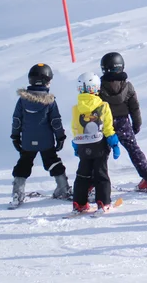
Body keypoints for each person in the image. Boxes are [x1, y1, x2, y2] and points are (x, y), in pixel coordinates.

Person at [9, 64, 70, 208]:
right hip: (46, 141)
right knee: (53, 161)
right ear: (46, 81)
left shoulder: (22, 100)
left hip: (28, 142)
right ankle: (63, 188)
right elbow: (56, 121)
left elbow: (17, 120)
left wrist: (15, 136)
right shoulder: (50, 101)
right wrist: (60, 137)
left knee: (24, 163)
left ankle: (17, 193)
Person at [99, 52, 147, 191]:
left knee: (101, 153)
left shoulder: (99, 87)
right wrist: (137, 124)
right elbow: (134, 107)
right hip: (123, 122)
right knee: (133, 149)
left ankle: (97, 183)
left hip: (105, 123)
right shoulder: (127, 86)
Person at [71, 72, 120, 213]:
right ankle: (103, 201)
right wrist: (114, 142)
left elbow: (75, 128)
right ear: (96, 88)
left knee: (83, 173)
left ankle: (79, 203)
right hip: (99, 144)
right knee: (101, 173)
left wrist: (75, 145)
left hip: (82, 145)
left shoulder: (76, 108)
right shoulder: (103, 105)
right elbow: (108, 126)